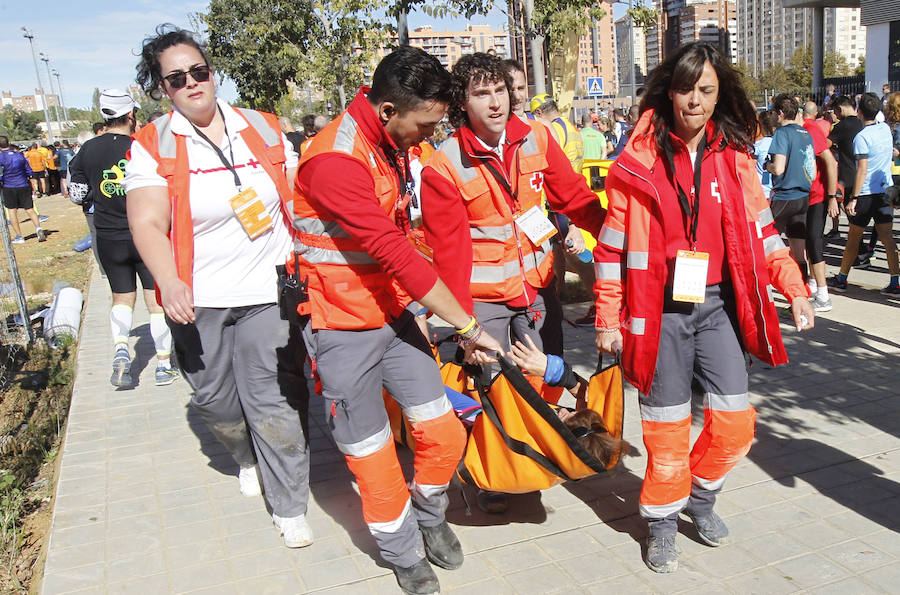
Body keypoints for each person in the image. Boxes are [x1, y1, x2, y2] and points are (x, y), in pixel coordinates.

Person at [593, 42, 813, 574]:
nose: (695, 101)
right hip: (658, 312)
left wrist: (796, 288)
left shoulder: (735, 159)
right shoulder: (636, 162)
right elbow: (612, 248)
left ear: (721, 95)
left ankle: (700, 497)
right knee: (666, 430)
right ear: (670, 92)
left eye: (707, 90)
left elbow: (764, 235)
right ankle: (663, 523)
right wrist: (606, 319)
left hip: (717, 308)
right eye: (686, 89)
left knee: (736, 426)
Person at [292, 45, 502, 594]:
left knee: (442, 430)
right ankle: (402, 549)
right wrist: (467, 325)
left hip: (394, 317)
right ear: (387, 110)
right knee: (372, 457)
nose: (427, 137)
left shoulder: (391, 143)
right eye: (422, 125)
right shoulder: (333, 161)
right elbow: (392, 250)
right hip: (342, 329)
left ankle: (429, 515)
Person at [125, 25, 314, 549]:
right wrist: (168, 280)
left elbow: (297, 199)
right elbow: (145, 221)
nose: (191, 83)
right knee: (214, 400)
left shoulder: (262, 127)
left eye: (199, 71)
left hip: (267, 287)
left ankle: (290, 504)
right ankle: (244, 455)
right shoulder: (153, 143)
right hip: (197, 295)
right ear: (164, 88)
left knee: (271, 398)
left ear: (213, 72)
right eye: (176, 78)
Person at [69, 89, 178, 388]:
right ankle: (164, 365)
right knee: (156, 300)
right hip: (147, 234)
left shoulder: (86, 151)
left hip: (107, 236)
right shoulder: (142, 146)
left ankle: (120, 353)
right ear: (131, 115)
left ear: (104, 115)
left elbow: (76, 194)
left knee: (121, 297)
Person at [827, 93, 899, 295]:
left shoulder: (862, 137)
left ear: (859, 112)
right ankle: (896, 281)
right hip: (885, 190)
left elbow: (862, 168)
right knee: (887, 237)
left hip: (866, 193)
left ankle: (841, 279)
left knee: (853, 238)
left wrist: (854, 198)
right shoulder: (885, 129)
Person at [765, 94, 815, 280]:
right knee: (798, 250)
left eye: (772, 112)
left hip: (784, 195)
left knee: (766, 241)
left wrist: (766, 166)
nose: (770, 116)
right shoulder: (805, 133)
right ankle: (801, 293)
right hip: (803, 196)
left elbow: (778, 168)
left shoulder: (782, 133)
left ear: (780, 113)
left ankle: (764, 289)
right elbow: (812, 167)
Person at [801, 102, 839, 311]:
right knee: (809, 241)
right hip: (809, 195)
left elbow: (831, 162)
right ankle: (815, 286)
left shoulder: (810, 130)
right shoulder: (804, 130)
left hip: (817, 195)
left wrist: (832, 196)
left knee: (815, 242)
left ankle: (823, 296)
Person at [828, 95, 864, 238]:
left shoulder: (842, 126)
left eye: (835, 112)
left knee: (852, 215)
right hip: (865, 173)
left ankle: (859, 251)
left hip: (849, 175)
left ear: (840, 108)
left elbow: (825, 145)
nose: (835, 116)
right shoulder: (862, 123)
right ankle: (867, 248)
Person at [0, 137, 46, 243]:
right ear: (9, 143)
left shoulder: (1, 157)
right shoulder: (19, 155)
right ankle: (38, 228)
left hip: (9, 186)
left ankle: (19, 236)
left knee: (12, 211)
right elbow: (29, 171)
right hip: (23, 184)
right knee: (29, 208)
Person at [753, 110, 777, 198]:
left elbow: (752, 165)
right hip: (775, 191)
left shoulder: (758, 145)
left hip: (761, 191)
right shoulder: (779, 143)